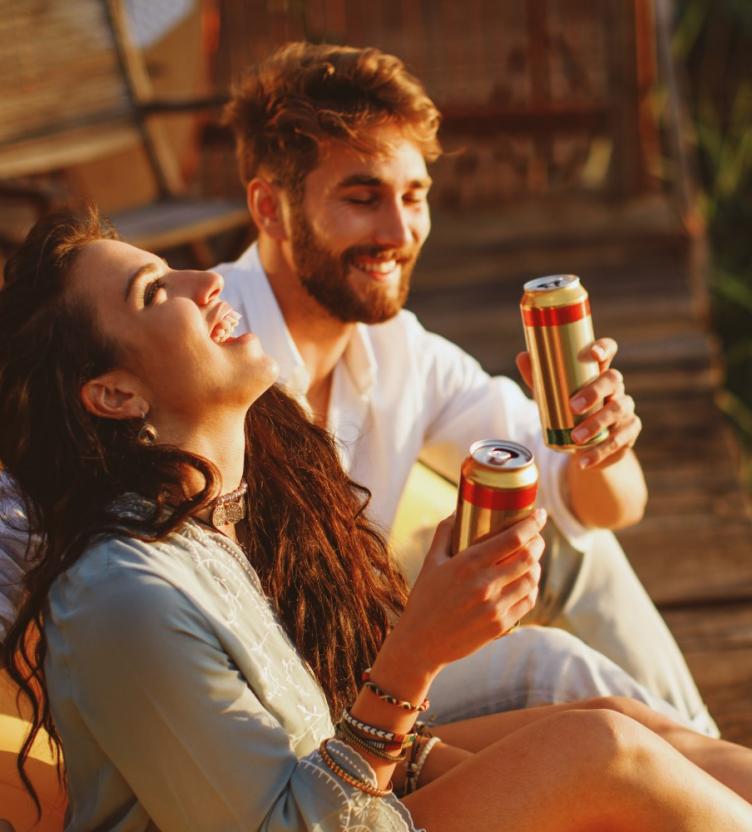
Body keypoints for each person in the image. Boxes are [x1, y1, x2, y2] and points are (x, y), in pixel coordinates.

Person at [2, 210, 752, 831]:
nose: (204, 281)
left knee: (627, 725)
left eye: (418, 191)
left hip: (356, 797)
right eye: (153, 291)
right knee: (602, 750)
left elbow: (307, 734)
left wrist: (436, 745)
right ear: (114, 396)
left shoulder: (210, 524)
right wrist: (417, 652)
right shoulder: (122, 593)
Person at [216, 41, 717, 734]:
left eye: (414, 197)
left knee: (569, 550)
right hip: (283, 706)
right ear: (269, 209)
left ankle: (713, 768)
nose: (399, 232)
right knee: (549, 667)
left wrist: (599, 446)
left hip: (376, 651)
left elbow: (608, 508)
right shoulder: (204, 343)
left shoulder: (400, 352)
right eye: (362, 199)